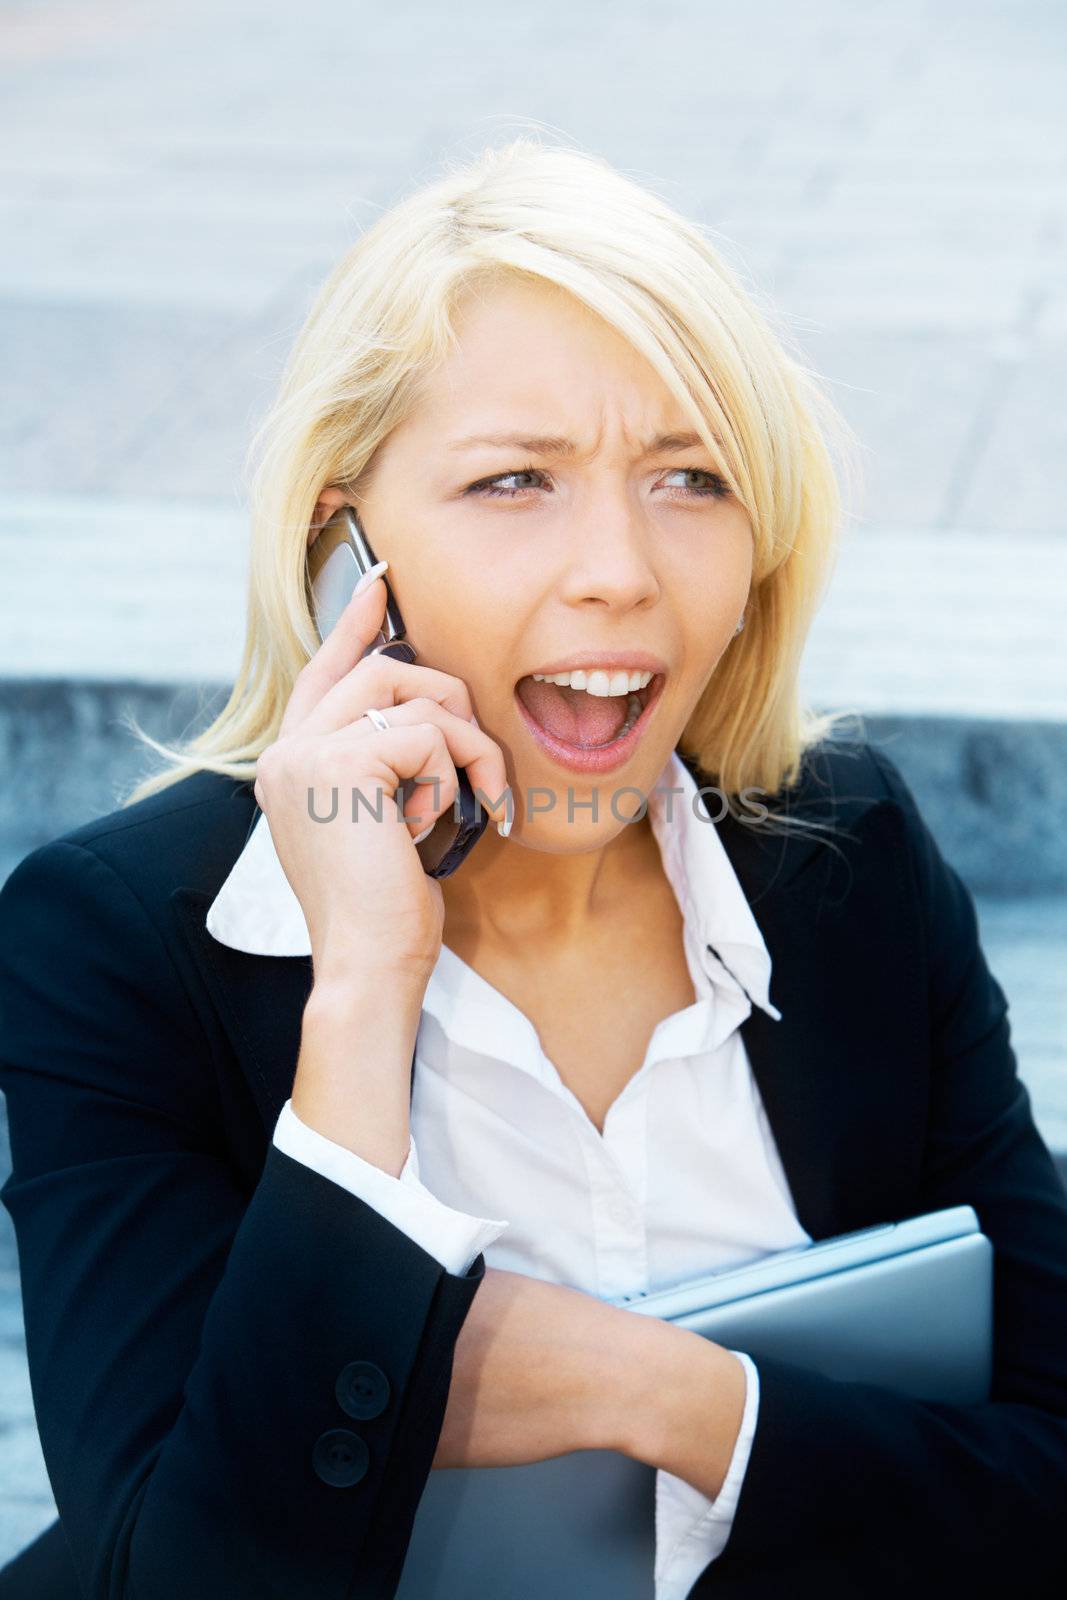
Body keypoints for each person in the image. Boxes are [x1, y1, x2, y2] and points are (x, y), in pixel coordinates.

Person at [1, 138, 1065, 1600]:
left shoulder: (851, 861)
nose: (621, 569)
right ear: (343, 550)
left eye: (691, 477)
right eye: (515, 482)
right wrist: (366, 988)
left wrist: (667, 1399)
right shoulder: (110, 947)